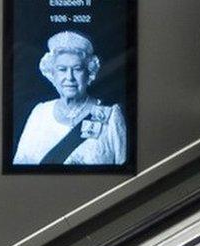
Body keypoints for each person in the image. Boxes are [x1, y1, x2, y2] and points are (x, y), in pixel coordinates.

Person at [13, 31, 127, 166]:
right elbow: (21, 164)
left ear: (89, 73)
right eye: (62, 69)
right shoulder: (39, 113)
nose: (70, 77)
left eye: (77, 69)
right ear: (52, 74)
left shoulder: (111, 116)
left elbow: (123, 173)